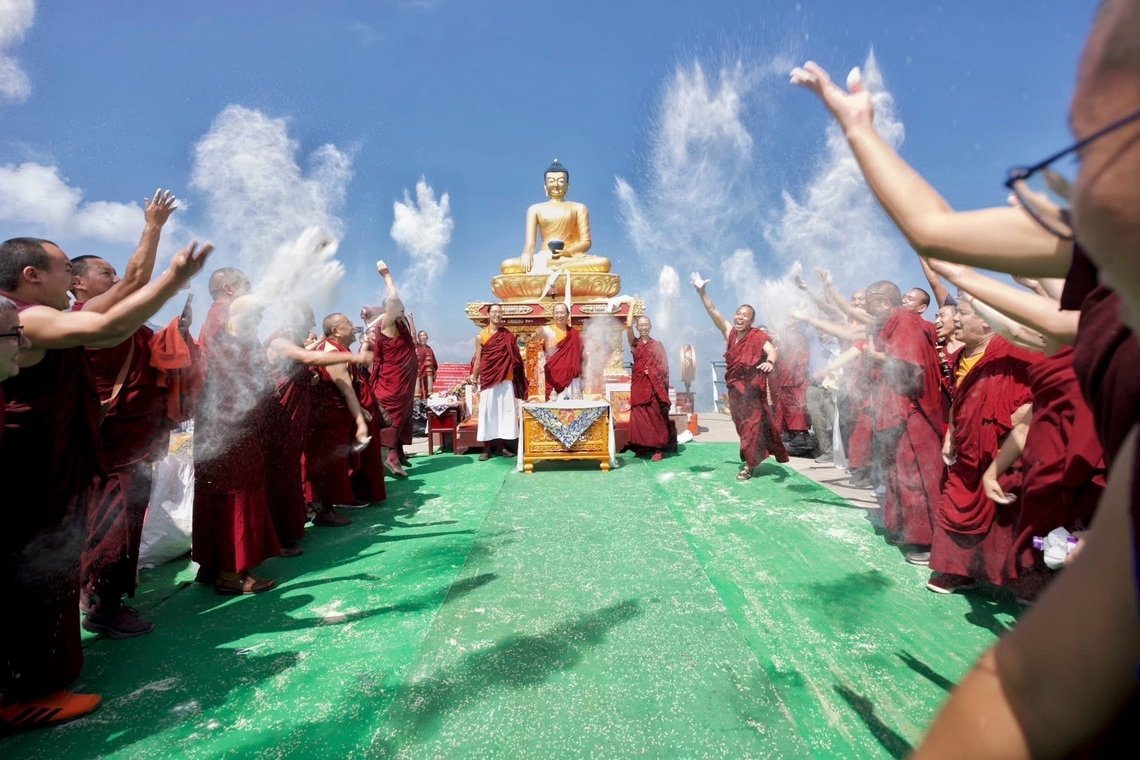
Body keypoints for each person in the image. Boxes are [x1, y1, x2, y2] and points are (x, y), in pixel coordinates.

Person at [918, 3, 1140, 750]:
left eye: (1098, 149)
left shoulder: (1070, 327)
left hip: (1068, 451)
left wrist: (954, 273)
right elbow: (1032, 692)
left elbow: (1037, 315)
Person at [0, 234, 211, 730]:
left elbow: (129, 289)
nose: (70, 280)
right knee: (27, 574)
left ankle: (37, 680)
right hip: (26, 472)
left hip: (55, 466)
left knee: (49, 570)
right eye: (63, 270)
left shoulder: (43, 315)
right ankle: (21, 693)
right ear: (32, 275)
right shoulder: (27, 318)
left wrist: (153, 231)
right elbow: (108, 325)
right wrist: (176, 277)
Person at [928, 299, 1038, 593]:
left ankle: (1024, 582)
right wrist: (951, 435)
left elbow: (1047, 389)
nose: (956, 320)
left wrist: (1017, 417)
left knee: (1008, 516)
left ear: (987, 322)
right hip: (968, 447)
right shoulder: (960, 356)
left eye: (962, 314)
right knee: (956, 505)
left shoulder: (1014, 351)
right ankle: (956, 572)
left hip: (1005, 448)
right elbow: (959, 398)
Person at [264, 304, 374, 556]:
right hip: (281, 418)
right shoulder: (279, 341)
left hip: (296, 419)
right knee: (278, 473)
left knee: (290, 471)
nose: (312, 324)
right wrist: (354, 357)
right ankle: (275, 537)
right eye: (308, 319)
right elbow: (308, 358)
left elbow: (302, 365)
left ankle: (289, 529)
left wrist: (308, 378)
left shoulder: (295, 343)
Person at [192, 295, 282, 595]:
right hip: (232, 432)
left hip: (223, 431)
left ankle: (213, 563)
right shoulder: (223, 337)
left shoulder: (228, 340)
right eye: (255, 315)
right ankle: (231, 574)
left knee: (216, 493)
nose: (258, 321)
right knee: (235, 495)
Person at [861, 280, 945, 563]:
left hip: (913, 410)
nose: (868, 310)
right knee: (898, 472)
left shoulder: (905, 320)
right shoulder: (893, 322)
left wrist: (875, 356)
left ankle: (928, 541)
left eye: (870, 304)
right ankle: (905, 529)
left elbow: (908, 365)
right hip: (897, 409)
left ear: (883, 303)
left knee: (916, 475)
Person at [692, 273, 788, 480]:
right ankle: (754, 456)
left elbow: (771, 350)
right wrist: (702, 293)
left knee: (751, 427)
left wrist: (770, 362)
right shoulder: (729, 332)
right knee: (742, 426)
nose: (740, 317)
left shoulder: (757, 336)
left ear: (751, 320)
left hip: (752, 391)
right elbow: (713, 311)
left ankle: (749, 465)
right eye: (738, 314)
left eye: (745, 315)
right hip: (735, 391)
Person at [303, 312, 374, 524]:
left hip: (332, 418)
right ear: (336, 331)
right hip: (328, 419)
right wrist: (360, 419)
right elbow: (347, 391)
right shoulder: (332, 353)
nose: (353, 325)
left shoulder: (336, 350)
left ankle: (325, 508)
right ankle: (324, 510)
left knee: (331, 463)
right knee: (329, 464)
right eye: (348, 323)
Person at [500, 159, 612, 275]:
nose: (556, 185)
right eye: (551, 181)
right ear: (545, 186)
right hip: (544, 258)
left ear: (568, 185)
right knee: (507, 265)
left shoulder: (579, 208)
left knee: (603, 263)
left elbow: (586, 242)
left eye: (561, 181)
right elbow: (530, 244)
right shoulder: (534, 209)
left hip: (570, 258)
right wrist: (527, 254)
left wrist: (567, 252)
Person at [361, 262, 418, 476]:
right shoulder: (386, 325)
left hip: (405, 381)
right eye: (398, 309)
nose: (401, 311)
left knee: (402, 416)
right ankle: (390, 456)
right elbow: (393, 300)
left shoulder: (402, 325)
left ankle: (397, 453)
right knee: (392, 417)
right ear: (389, 311)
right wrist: (387, 276)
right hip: (391, 382)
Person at [471, 303, 526, 460]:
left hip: (505, 378)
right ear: (488, 315)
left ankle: (502, 447)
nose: (496, 314)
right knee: (488, 412)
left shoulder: (508, 335)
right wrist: (474, 379)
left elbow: (516, 357)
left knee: (504, 412)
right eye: (494, 312)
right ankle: (487, 448)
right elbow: (478, 360)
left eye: (499, 312)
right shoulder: (481, 336)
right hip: (488, 378)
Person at [624, 307, 672, 461]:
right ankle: (643, 445)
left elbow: (663, 366)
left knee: (655, 416)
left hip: (653, 385)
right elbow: (628, 326)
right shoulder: (634, 344)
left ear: (650, 326)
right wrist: (631, 305)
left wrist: (651, 371)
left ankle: (658, 448)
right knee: (639, 417)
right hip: (639, 383)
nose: (643, 327)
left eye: (646, 325)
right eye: (641, 325)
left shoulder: (657, 345)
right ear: (637, 327)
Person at [534, 302, 583, 400]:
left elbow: (582, 355)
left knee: (572, 406)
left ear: (568, 315)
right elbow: (535, 344)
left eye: (562, 312)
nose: (559, 315)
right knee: (554, 405)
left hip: (571, 379)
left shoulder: (575, 334)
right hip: (552, 377)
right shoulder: (547, 331)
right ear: (553, 315)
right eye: (556, 313)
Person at [198, 267, 250, 356]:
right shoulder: (232, 318)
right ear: (229, 289)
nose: (250, 290)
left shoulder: (207, 326)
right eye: (246, 285)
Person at [415, 329, 437, 399]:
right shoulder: (415, 348)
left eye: (424, 335)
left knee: (429, 393)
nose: (422, 337)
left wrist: (433, 372)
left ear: (427, 337)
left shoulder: (429, 349)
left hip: (428, 376)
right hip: (417, 376)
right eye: (421, 336)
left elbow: (434, 364)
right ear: (418, 338)